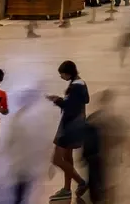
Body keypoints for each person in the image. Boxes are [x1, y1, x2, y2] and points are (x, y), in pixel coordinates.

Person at [47, 60, 89, 201]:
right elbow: (85, 100)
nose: (61, 77)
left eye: (62, 74)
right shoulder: (80, 83)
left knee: (57, 159)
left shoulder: (75, 87)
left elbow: (70, 107)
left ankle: (81, 182)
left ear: (68, 73)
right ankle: (66, 188)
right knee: (67, 158)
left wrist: (57, 100)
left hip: (69, 126)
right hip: (76, 124)